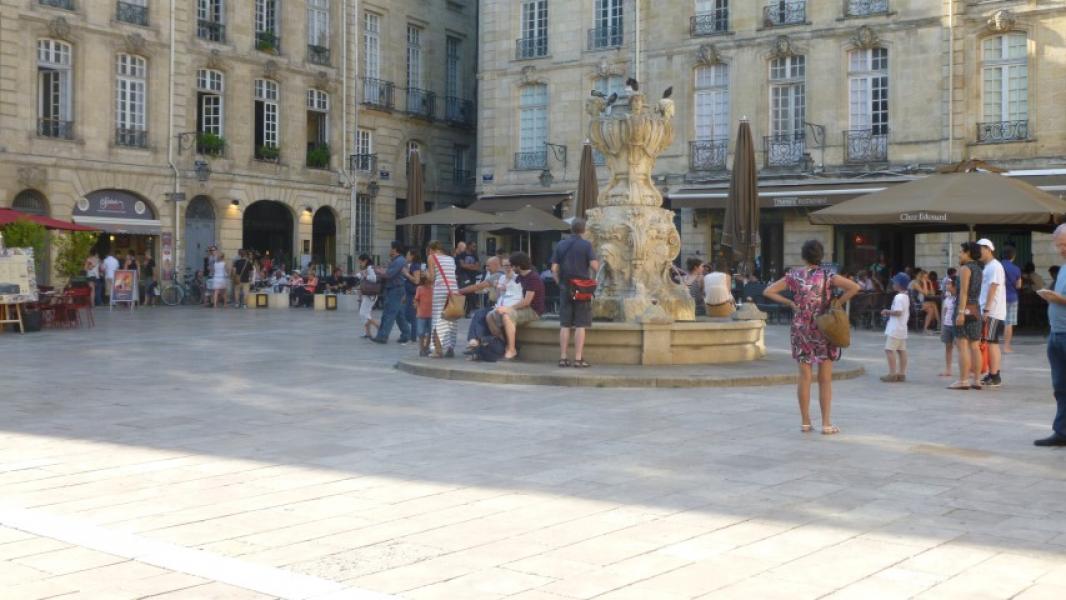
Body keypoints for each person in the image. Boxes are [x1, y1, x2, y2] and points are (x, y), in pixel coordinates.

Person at [764, 240, 860, 435]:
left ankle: (805, 422)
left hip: (801, 328)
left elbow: (769, 291)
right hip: (823, 327)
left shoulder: (794, 275)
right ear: (821, 256)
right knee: (825, 378)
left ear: (803, 256)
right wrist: (837, 303)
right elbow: (854, 287)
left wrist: (790, 303)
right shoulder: (828, 275)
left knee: (804, 376)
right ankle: (826, 423)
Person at [550, 219, 599, 368]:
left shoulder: (561, 245)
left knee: (565, 324)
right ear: (584, 230)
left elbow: (553, 269)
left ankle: (563, 358)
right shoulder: (586, 245)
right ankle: (578, 359)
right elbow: (595, 266)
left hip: (566, 286)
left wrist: (560, 283)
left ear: (571, 229)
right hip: (582, 288)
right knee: (580, 324)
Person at [1034, 224, 1066, 446]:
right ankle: (1062, 431)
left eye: (1064, 244)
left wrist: (1059, 299)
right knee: (1060, 386)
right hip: (1056, 335)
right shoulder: (1064, 268)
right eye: (1059, 246)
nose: (1062, 249)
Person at [498, 251, 546, 361]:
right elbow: (510, 289)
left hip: (533, 310)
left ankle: (511, 349)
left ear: (518, 266)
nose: (511, 267)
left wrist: (508, 308)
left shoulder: (533, 278)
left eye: (512, 265)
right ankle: (501, 346)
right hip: (523, 307)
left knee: (507, 316)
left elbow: (526, 302)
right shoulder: (520, 277)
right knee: (492, 316)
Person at [949, 242, 984, 391]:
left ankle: (963, 380)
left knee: (962, 345)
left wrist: (961, 313)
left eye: (961, 252)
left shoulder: (965, 268)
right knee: (975, 346)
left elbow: (963, 292)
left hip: (964, 308)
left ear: (968, 252)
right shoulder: (979, 269)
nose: (959, 254)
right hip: (976, 309)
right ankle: (976, 380)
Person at [977, 238, 1006, 387]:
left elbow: (993, 288)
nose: (978, 253)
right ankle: (992, 373)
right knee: (989, 341)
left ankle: (995, 376)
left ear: (988, 249)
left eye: (980, 250)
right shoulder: (988, 267)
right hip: (989, 309)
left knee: (992, 342)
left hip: (993, 310)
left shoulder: (995, 266)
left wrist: (987, 309)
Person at [371, 241, 413, 344]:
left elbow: (389, 274)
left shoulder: (399, 261)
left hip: (395, 289)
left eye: (391, 248)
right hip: (395, 289)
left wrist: (377, 271)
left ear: (395, 249)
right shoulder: (397, 260)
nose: (390, 250)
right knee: (399, 315)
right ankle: (406, 334)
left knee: (388, 313)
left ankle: (382, 336)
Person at [427, 241, 458, 357]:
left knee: (438, 319)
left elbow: (432, 277)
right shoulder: (451, 259)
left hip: (440, 290)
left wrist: (425, 275)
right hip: (453, 290)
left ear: (432, 249)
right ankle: (450, 348)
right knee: (451, 319)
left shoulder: (432, 257)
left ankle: (438, 350)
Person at [881, 273, 911, 383]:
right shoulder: (906, 296)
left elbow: (898, 312)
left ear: (898, 284)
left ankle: (892, 373)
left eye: (894, 282)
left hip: (895, 328)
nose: (892, 284)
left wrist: (886, 311)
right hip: (902, 328)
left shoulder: (898, 297)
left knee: (889, 350)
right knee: (901, 350)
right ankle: (902, 373)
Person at [1001, 245, 1022, 353]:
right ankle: (1006, 347)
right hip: (1012, 298)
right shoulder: (1016, 269)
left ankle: (989, 345)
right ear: (1013, 256)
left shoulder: (997, 266)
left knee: (993, 322)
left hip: (998, 298)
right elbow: (1019, 286)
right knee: (1008, 323)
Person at [940, 276, 958, 378]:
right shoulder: (947, 298)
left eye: (949, 284)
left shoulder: (959, 298)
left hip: (956, 325)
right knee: (948, 347)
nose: (947, 285)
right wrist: (942, 326)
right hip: (947, 324)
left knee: (961, 348)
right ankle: (948, 369)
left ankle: (967, 369)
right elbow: (944, 312)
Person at [357, 254, 379, 338]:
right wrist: (361, 274)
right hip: (368, 294)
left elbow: (374, 278)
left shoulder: (370, 268)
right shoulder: (368, 268)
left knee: (363, 313)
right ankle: (368, 333)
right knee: (366, 313)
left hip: (370, 294)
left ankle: (377, 325)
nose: (360, 263)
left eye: (360, 262)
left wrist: (365, 275)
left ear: (365, 261)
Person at [413, 272, 435, 357]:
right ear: (425, 281)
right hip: (421, 314)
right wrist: (416, 304)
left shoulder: (433, 289)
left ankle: (427, 347)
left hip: (431, 314)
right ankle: (422, 349)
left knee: (430, 332)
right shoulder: (420, 288)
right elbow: (416, 299)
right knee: (421, 332)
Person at [402, 249, 424, 332]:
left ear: (412, 256)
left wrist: (406, 274)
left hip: (412, 294)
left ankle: (414, 335)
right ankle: (415, 333)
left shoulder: (415, 265)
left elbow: (416, 280)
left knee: (410, 315)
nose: (406, 257)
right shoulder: (413, 265)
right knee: (408, 315)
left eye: (407, 255)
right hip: (409, 293)